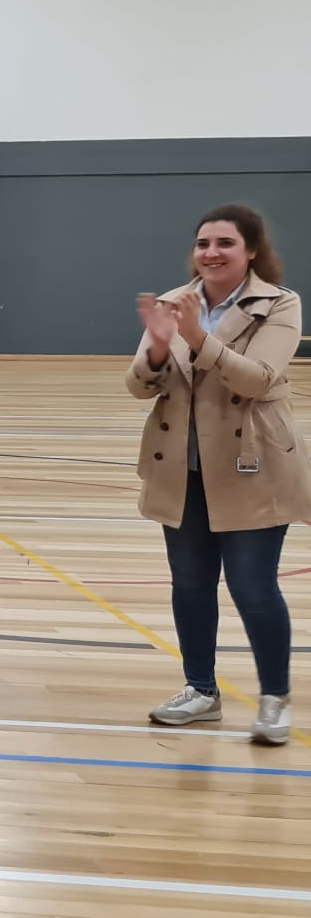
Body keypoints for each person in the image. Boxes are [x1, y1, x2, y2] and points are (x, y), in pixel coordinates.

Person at [130, 206, 307, 746]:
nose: (211, 252)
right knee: (190, 586)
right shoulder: (174, 302)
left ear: (251, 250)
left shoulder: (279, 305)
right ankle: (200, 691)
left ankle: (274, 698)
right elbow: (140, 386)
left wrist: (198, 339)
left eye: (225, 243)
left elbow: (259, 379)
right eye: (203, 242)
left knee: (253, 588)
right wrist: (161, 345)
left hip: (252, 467)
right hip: (181, 468)